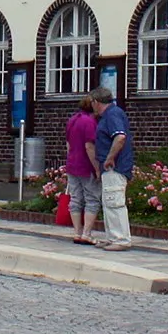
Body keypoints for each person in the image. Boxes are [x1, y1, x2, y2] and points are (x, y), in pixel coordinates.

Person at [90, 86, 135, 250]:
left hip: (115, 167)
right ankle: (112, 236)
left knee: (115, 201)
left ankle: (121, 239)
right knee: (109, 201)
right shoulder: (108, 115)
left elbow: (120, 137)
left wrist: (110, 157)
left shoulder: (112, 115)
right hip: (108, 167)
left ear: (96, 102)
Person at [64, 95, 100, 244]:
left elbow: (68, 144)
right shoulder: (90, 122)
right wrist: (97, 167)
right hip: (86, 166)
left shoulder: (73, 120)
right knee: (92, 198)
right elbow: (89, 146)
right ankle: (87, 233)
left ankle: (77, 232)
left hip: (72, 164)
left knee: (76, 198)